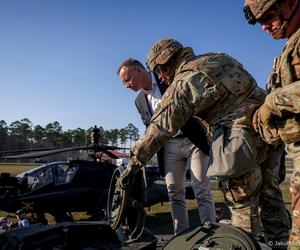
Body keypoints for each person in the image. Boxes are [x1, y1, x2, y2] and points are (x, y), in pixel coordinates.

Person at [120, 38, 291, 248]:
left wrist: (133, 164)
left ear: (166, 63)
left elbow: (160, 128)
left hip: (241, 141)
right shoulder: (217, 57)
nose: (162, 77)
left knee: (243, 208)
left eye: (160, 70)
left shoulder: (184, 82)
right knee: (271, 197)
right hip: (269, 130)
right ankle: (280, 245)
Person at [117, 58, 216, 234]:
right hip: (169, 147)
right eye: (123, 83)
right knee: (174, 194)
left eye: (127, 79)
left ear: (139, 71)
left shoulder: (168, 78)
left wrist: (209, 129)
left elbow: (198, 104)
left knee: (201, 187)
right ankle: (180, 236)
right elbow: (150, 128)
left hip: (193, 141)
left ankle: (211, 232)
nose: (126, 85)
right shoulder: (139, 101)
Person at [244, 0, 300, 247]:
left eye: (269, 17)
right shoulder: (290, 45)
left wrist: (273, 102)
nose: (266, 27)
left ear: (290, 4)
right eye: (261, 23)